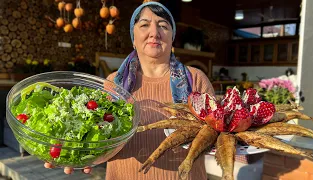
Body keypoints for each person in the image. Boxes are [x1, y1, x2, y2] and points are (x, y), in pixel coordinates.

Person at [45, 1, 214, 179]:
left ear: (172, 37)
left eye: (163, 26)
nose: (154, 33)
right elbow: (98, 134)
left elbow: (220, 135)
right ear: (133, 38)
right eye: (144, 25)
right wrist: (75, 152)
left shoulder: (195, 79)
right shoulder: (114, 84)